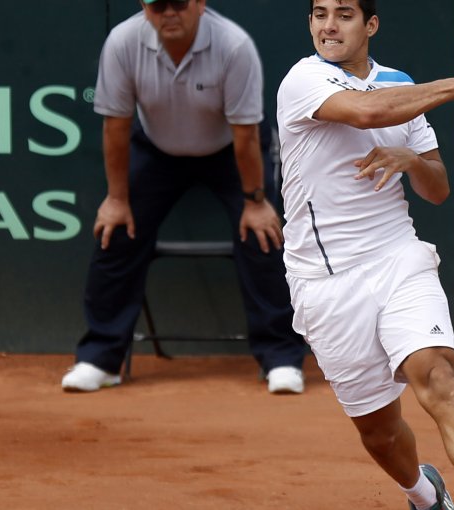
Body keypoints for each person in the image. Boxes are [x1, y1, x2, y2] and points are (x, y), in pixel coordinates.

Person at [276, 0, 454, 508]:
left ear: (371, 25)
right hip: (324, 282)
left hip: (397, 257)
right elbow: (368, 112)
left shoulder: (400, 82)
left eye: (343, 14)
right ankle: (426, 496)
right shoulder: (302, 80)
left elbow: (437, 189)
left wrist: (411, 160)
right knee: (380, 434)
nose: (328, 25)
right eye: (319, 14)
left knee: (436, 372)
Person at [62, 0, 306, 395]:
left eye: (178, 2)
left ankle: (281, 358)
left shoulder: (233, 46)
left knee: (262, 234)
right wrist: (117, 198)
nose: (168, 12)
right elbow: (116, 127)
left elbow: (245, 135)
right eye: (158, 5)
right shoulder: (123, 42)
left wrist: (255, 201)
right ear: (145, 8)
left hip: (230, 149)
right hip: (157, 149)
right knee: (117, 231)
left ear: (199, 4)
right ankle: (101, 359)